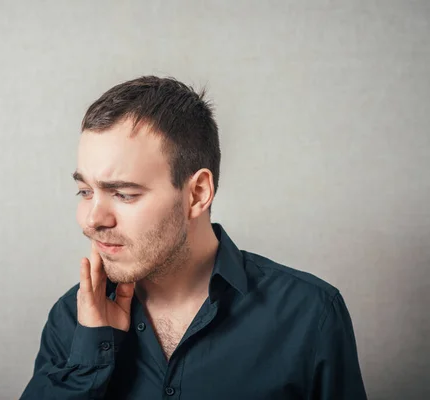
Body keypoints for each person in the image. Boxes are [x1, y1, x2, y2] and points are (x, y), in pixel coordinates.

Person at [19, 76, 367, 399]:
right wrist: (89, 357)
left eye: (124, 194)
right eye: (85, 191)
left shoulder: (310, 315)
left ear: (198, 193)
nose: (93, 219)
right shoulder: (72, 318)